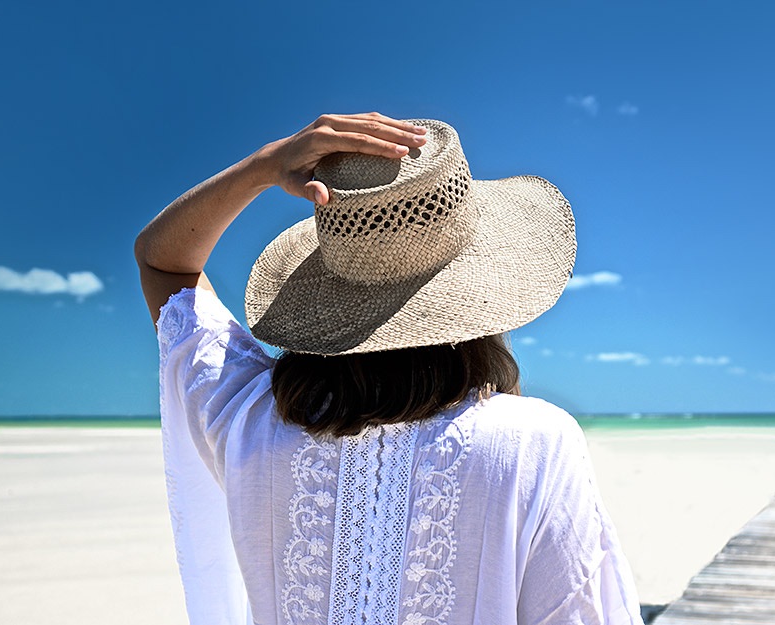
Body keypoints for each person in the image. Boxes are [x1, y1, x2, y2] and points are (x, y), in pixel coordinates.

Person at [134, 113, 641, 625]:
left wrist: (265, 165)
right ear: (481, 297)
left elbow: (164, 264)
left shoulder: (249, 424)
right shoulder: (535, 443)